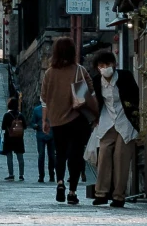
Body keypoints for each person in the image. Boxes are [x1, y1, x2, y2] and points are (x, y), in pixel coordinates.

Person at [40, 34, 97, 205]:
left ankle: (59, 183)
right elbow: (91, 93)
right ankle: (72, 190)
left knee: (60, 153)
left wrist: (45, 120)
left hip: (57, 120)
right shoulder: (80, 70)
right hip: (77, 118)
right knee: (76, 154)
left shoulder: (49, 73)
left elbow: (44, 99)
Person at [84, 46, 139, 208]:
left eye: (107, 65)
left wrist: (137, 119)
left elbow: (135, 97)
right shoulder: (95, 81)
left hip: (125, 121)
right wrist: (93, 119)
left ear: (114, 64)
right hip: (106, 121)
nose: (104, 69)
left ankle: (119, 196)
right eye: (100, 66)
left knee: (121, 158)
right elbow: (88, 101)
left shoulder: (125, 77)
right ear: (97, 68)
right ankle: (101, 193)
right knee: (104, 156)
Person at [1, 97, 26, 180]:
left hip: (9, 137)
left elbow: (3, 127)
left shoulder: (7, 115)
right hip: (19, 138)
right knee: (20, 157)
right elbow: (25, 126)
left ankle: (11, 174)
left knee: (9, 156)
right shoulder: (20, 115)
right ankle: (21, 175)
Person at [30, 95, 53, 183]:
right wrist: (35, 126)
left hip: (51, 135)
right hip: (40, 135)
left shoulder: (53, 109)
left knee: (52, 156)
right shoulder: (37, 110)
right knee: (41, 156)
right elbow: (32, 122)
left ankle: (52, 174)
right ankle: (41, 175)